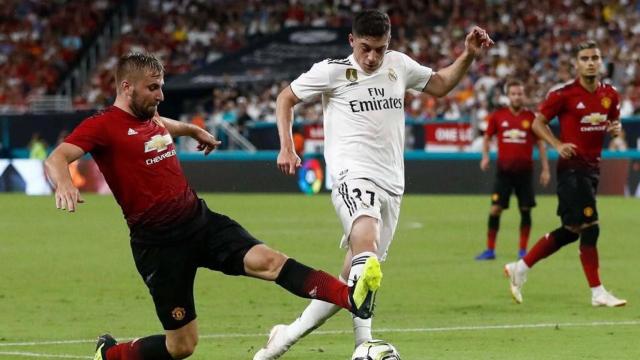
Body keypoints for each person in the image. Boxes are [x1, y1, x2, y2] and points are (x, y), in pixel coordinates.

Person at [44, 53, 381, 360]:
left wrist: (194, 130)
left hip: (200, 222)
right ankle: (110, 355)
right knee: (182, 346)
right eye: (153, 88)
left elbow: (166, 125)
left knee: (270, 261)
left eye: (161, 87)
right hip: (159, 248)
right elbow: (57, 157)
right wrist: (63, 182)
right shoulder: (102, 126)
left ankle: (350, 297)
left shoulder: (152, 117)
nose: (160, 95)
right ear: (126, 86)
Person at [254, 9, 493, 359]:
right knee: (366, 251)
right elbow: (285, 98)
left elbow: (440, 85)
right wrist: (287, 146)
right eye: (365, 48)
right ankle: (362, 346)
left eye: (379, 49)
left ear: (389, 44)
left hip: (393, 185)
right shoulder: (333, 71)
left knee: (355, 279)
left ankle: (284, 338)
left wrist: (469, 55)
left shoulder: (398, 65)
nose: (372, 57)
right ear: (352, 41)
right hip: (352, 175)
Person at [504, 40, 627, 307]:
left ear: (601, 61)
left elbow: (613, 123)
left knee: (572, 230)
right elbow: (537, 123)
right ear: (576, 63)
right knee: (591, 227)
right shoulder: (564, 95)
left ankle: (520, 267)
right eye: (585, 58)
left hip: (592, 169)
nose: (591, 62)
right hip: (572, 170)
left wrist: (616, 130)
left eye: (595, 57)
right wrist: (557, 145)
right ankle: (597, 293)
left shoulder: (610, 94)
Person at [475, 80, 550, 260]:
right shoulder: (498, 116)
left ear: (523, 95)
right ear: (508, 96)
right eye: (514, 94)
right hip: (504, 172)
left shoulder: (531, 118)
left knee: (525, 210)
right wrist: (485, 156)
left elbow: (540, 144)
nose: (517, 97)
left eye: (519, 94)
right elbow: (487, 138)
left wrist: (545, 169)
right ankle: (490, 250)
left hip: (525, 173)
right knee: (495, 209)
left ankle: (523, 251)